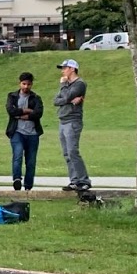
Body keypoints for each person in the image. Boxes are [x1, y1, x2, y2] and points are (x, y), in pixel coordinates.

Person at [53, 60, 90, 194]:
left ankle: (84, 181)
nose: (62, 71)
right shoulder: (67, 85)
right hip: (62, 121)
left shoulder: (79, 84)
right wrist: (67, 100)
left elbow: (67, 95)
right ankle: (74, 181)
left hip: (72, 121)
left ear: (72, 69)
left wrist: (64, 87)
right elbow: (56, 101)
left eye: (64, 68)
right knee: (67, 153)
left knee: (73, 151)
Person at [4, 71, 44, 194]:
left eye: (28, 84)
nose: (26, 87)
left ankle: (28, 186)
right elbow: (11, 110)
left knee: (31, 161)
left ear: (32, 84)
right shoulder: (12, 96)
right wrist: (26, 110)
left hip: (32, 134)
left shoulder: (36, 98)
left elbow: (38, 113)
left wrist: (23, 115)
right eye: (24, 84)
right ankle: (17, 179)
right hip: (17, 132)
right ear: (20, 83)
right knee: (18, 155)